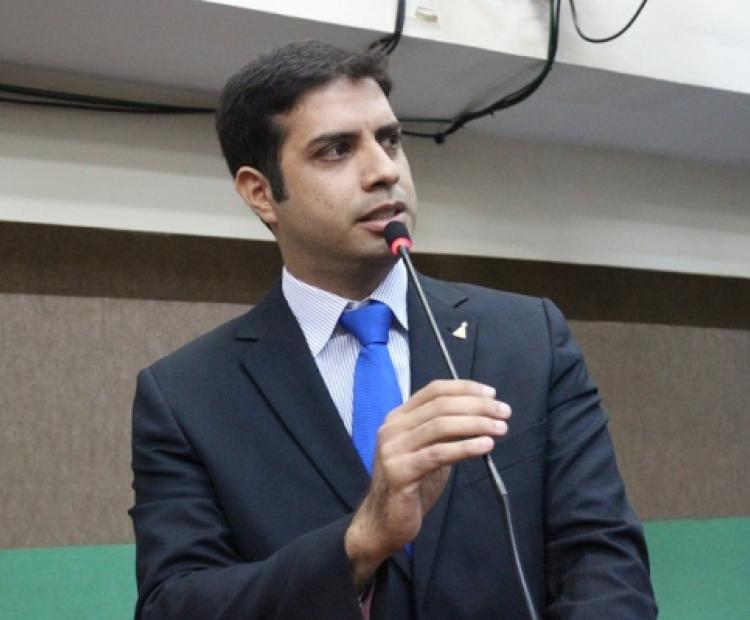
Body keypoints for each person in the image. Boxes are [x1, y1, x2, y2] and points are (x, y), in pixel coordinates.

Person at [129, 40, 657, 619]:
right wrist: (361, 540)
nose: (384, 171)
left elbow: (604, 563)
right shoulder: (185, 395)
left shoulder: (528, 337)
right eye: (336, 150)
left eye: (389, 140)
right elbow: (175, 606)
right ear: (261, 193)